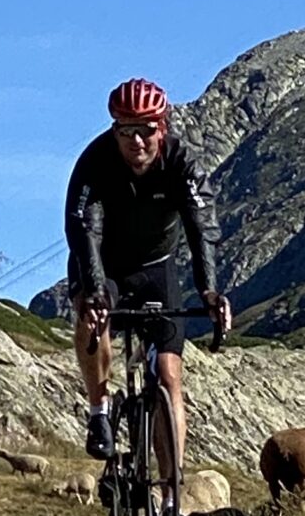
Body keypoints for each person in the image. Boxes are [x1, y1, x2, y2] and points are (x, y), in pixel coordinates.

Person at [64, 78, 229, 463]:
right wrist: (95, 292)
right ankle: (98, 411)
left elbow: (201, 229)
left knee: (169, 377)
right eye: (126, 131)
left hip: (156, 266)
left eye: (146, 130)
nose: (136, 141)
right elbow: (84, 229)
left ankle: (172, 499)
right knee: (93, 319)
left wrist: (209, 292)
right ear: (114, 130)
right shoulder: (95, 162)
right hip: (102, 262)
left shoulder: (181, 163)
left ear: (162, 128)